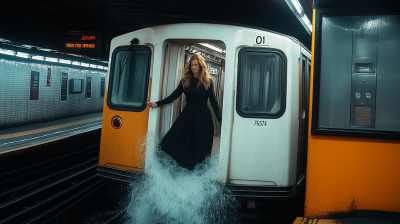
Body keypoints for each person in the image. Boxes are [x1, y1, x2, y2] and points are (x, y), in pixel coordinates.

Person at [147, 54, 222, 170]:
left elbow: (213, 102)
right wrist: (157, 103)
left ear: (201, 66)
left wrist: (221, 121)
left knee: (201, 145)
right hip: (188, 115)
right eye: (191, 65)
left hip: (204, 117)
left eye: (195, 65)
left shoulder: (208, 81)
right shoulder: (185, 80)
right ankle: (186, 169)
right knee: (176, 139)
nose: (193, 67)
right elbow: (174, 96)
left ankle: (199, 173)